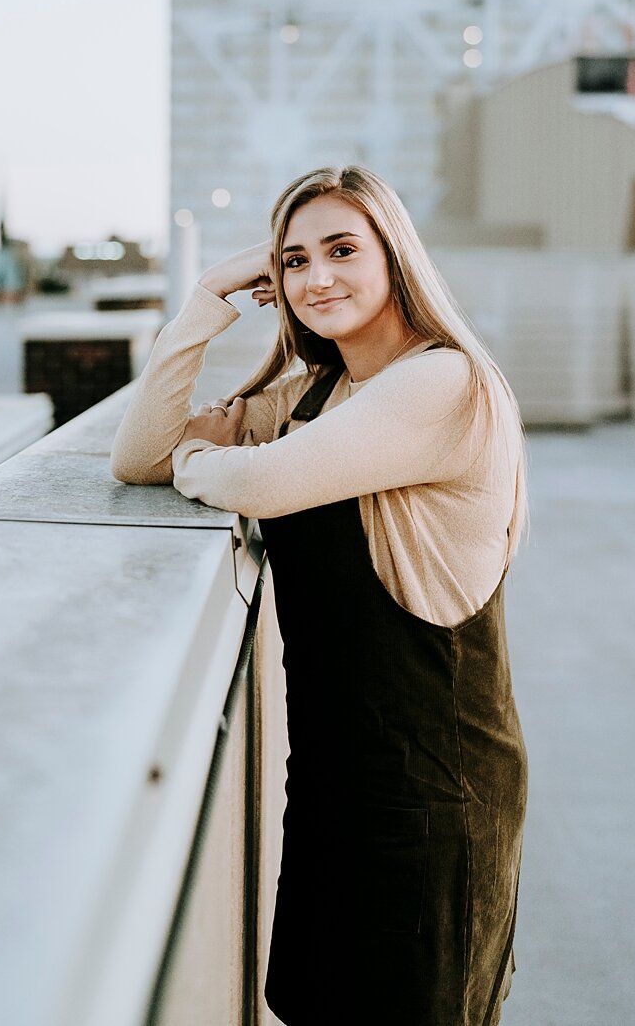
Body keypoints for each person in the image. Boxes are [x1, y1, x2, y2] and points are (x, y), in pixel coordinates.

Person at [111, 165, 528, 1026]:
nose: (317, 277)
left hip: (433, 795)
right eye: (293, 261)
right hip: (337, 777)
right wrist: (205, 299)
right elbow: (140, 456)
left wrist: (207, 465)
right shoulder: (320, 394)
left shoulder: (443, 383)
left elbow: (258, 484)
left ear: (395, 258)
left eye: (343, 249)